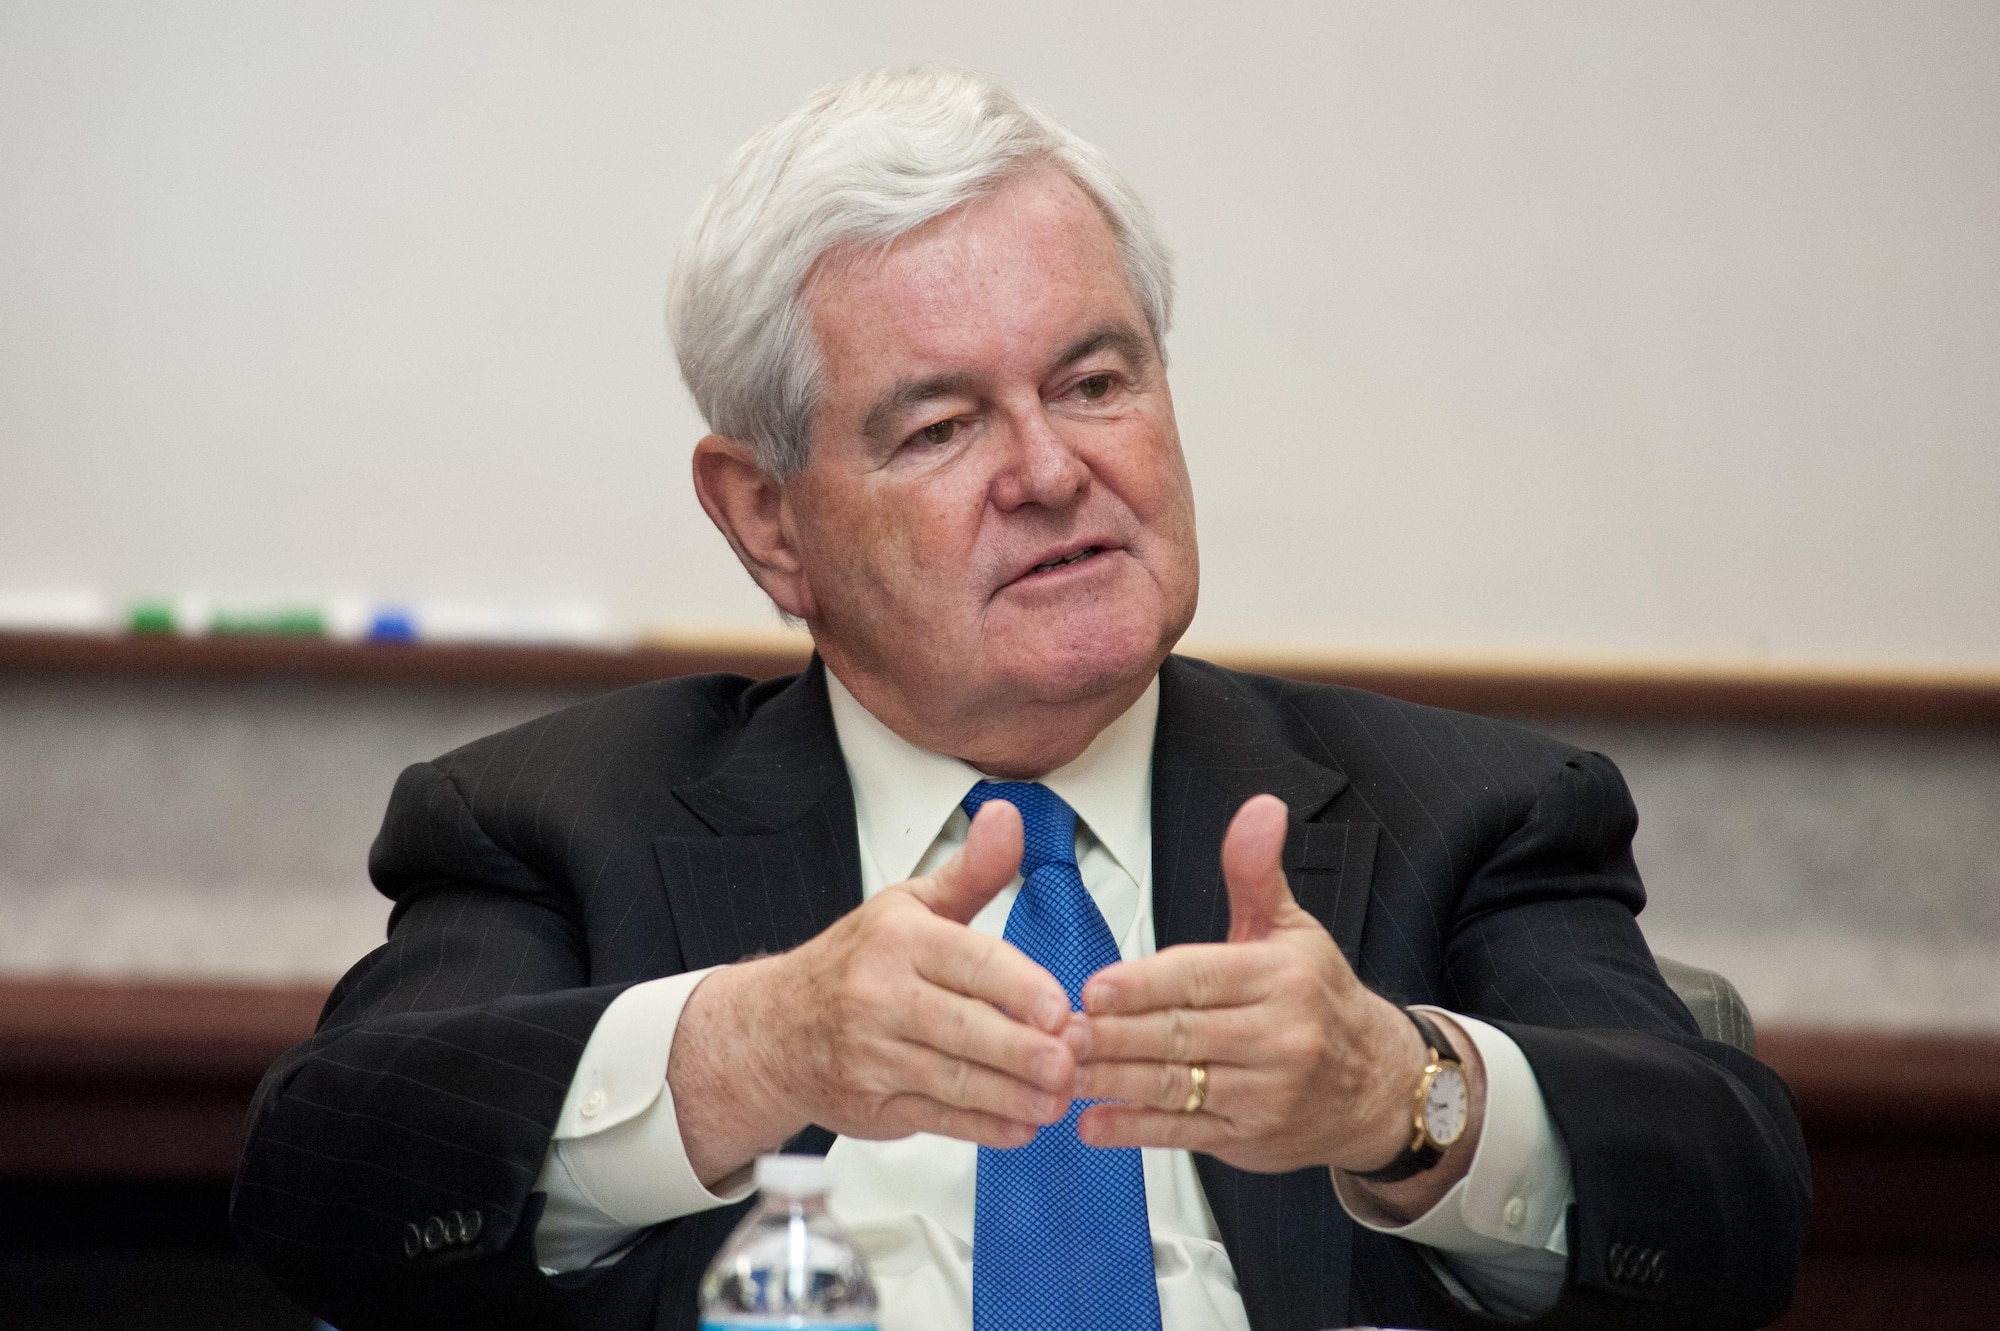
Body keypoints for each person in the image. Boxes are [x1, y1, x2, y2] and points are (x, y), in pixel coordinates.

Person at [233, 66, 1809, 1331]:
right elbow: (324, 1186)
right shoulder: (559, 824)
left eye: (1096, 382)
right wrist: (749, 1051)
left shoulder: (1461, 813)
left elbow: (1731, 1212)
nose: (1055, 472)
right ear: (768, 520)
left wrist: (1398, 1093)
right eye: (938, 428)